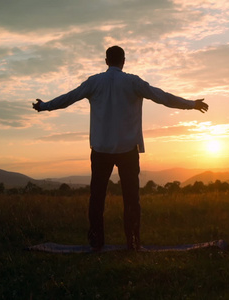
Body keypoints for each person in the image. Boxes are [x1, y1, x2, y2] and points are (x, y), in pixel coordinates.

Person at [33, 46, 208, 251]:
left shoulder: (94, 82)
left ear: (106, 61)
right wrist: (191, 104)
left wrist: (45, 106)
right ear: (123, 61)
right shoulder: (132, 82)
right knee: (131, 198)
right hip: (127, 151)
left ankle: (97, 242)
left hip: (101, 149)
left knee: (97, 198)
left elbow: (68, 98)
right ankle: (132, 242)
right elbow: (162, 97)